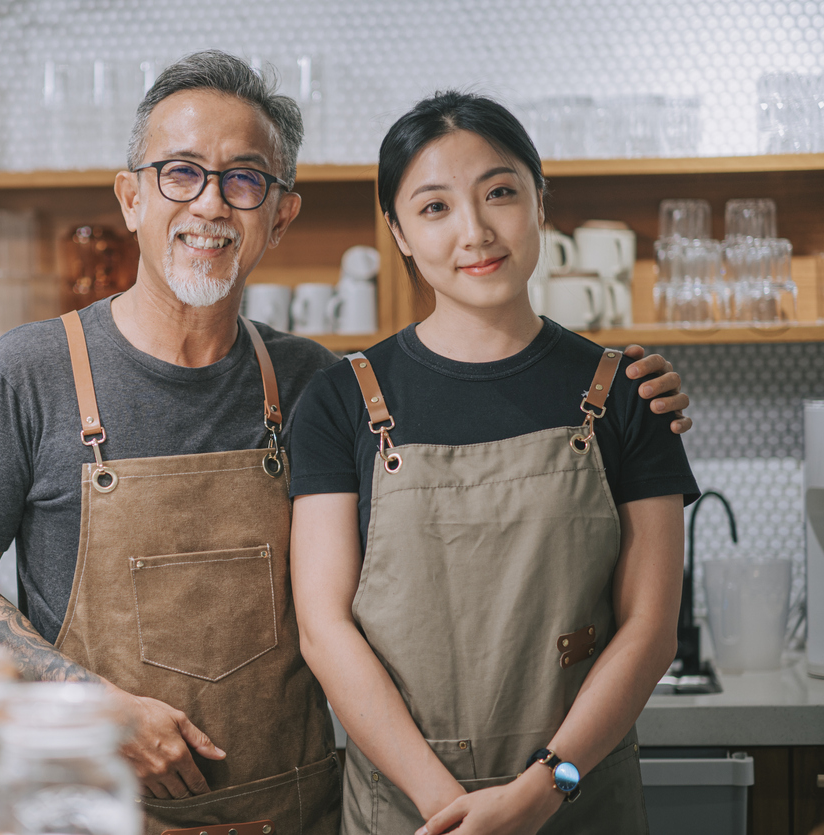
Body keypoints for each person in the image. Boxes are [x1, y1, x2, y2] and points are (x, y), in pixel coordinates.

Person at [0, 54, 690, 835]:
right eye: (180, 172)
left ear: (281, 215)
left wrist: (631, 389)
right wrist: (94, 703)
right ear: (131, 197)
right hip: (94, 805)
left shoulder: (311, 383)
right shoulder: (29, 372)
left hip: (295, 811)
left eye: (244, 179)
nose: (211, 205)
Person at [289, 91, 700, 835]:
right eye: (434, 207)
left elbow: (649, 629)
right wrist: (447, 808)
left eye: (499, 193)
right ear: (399, 233)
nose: (474, 232)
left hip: (580, 799)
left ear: (541, 203)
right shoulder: (340, 400)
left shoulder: (627, 394)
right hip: (408, 813)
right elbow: (323, 629)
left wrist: (543, 789)